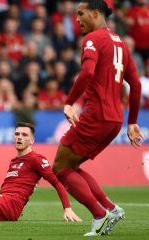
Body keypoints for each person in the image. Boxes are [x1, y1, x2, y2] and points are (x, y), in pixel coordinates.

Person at [51, 1, 144, 237]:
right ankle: (111, 208)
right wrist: (132, 121)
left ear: (95, 13)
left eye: (81, 14)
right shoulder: (121, 44)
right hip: (114, 120)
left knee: (60, 168)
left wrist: (69, 101)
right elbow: (136, 84)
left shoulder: (93, 39)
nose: (78, 19)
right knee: (71, 166)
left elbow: (88, 72)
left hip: (96, 115)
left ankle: (100, 215)